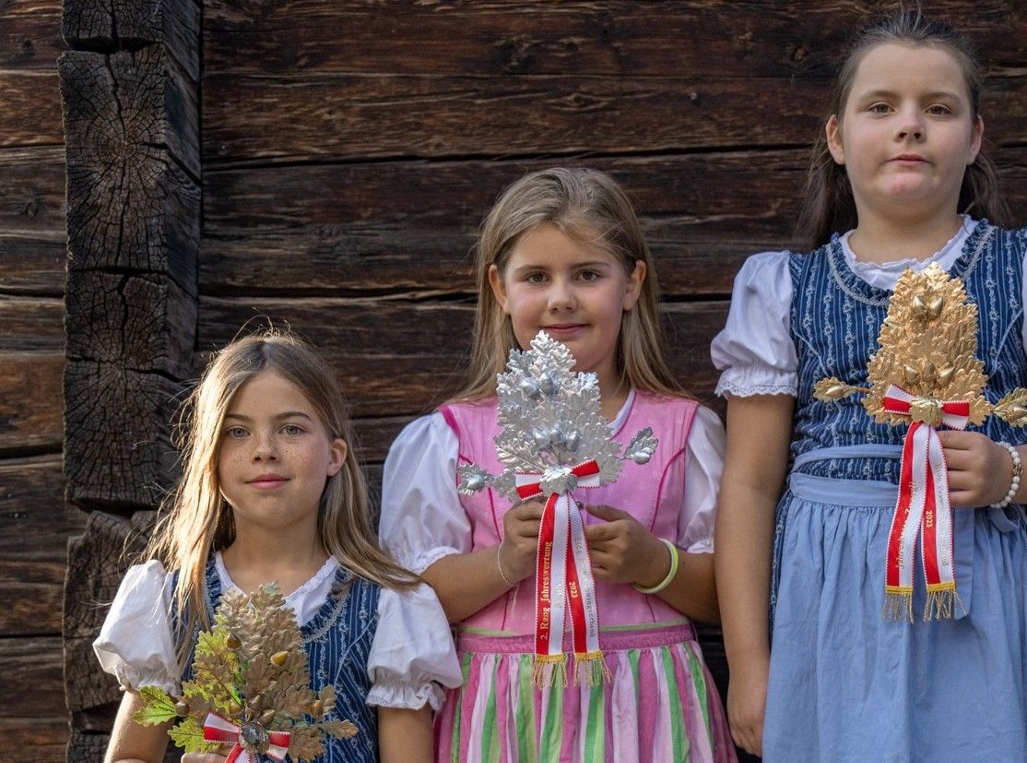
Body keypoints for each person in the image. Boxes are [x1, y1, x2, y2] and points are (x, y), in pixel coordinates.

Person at [711, 9, 1027, 763]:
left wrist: (1013, 470)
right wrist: (750, 663)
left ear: (973, 139)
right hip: (826, 596)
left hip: (976, 585)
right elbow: (746, 483)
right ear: (837, 139)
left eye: (937, 109)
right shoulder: (782, 288)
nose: (910, 127)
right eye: (881, 107)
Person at [380, 167, 738, 762]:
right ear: (499, 289)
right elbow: (412, 598)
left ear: (631, 284)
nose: (560, 298)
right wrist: (503, 561)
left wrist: (657, 564)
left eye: (588, 274)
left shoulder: (682, 431)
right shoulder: (451, 437)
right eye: (536, 277)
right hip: (503, 715)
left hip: (648, 707)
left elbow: (733, 591)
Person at [94, 329, 462, 763]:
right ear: (209, 458)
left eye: (291, 428)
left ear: (334, 455)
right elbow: (129, 756)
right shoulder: (171, 604)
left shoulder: (389, 607)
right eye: (237, 431)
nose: (264, 450)